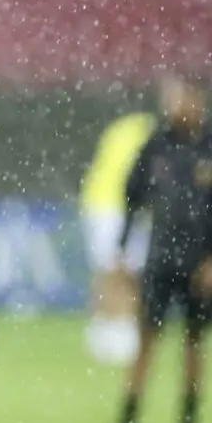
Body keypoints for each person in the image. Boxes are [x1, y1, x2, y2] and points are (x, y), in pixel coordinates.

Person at [107, 76, 212, 423]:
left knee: (195, 340)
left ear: (200, 100)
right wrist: (122, 248)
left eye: (184, 98)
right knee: (147, 336)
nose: (178, 105)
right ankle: (127, 422)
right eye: (174, 98)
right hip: (161, 258)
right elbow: (132, 196)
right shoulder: (157, 144)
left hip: (199, 262)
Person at [79, 110, 156, 365]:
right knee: (120, 270)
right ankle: (117, 330)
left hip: (101, 203)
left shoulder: (122, 128)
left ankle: (106, 328)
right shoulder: (150, 134)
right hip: (112, 207)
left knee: (111, 270)